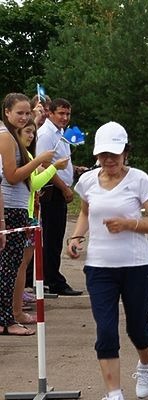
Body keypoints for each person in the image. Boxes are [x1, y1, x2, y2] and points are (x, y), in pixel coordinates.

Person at [66, 122, 148, 400]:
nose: (109, 160)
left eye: (115, 154)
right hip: (99, 267)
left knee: (137, 329)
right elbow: (85, 212)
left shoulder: (139, 180)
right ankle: (115, 397)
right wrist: (76, 236)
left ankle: (147, 363)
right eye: (103, 155)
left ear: (125, 152)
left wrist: (129, 224)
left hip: (137, 266)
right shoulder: (86, 182)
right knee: (106, 332)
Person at [0, 93, 54, 336]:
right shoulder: (6, 137)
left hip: (16, 208)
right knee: (9, 267)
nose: (24, 118)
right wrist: (40, 161)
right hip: (10, 210)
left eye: (27, 113)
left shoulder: (12, 136)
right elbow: (12, 176)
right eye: (19, 113)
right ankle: (7, 320)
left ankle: (9, 317)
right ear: (7, 112)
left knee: (11, 266)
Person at [12, 119, 68, 324]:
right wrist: (54, 168)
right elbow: (33, 183)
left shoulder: (26, 154)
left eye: (32, 133)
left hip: (30, 211)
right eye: (27, 132)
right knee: (20, 264)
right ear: (16, 134)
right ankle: (14, 310)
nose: (31, 136)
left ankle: (14, 306)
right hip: (26, 214)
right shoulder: (24, 156)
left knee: (22, 262)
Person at [36, 98, 84, 295]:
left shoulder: (60, 133)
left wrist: (74, 170)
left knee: (54, 236)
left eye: (67, 114)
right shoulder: (46, 134)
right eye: (61, 113)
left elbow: (60, 161)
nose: (65, 117)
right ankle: (52, 280)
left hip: (59, 189)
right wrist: (64, 188)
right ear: (50, 113)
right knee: (51, 238)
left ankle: (51, 277)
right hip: (51, 191)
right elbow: (44, 164)